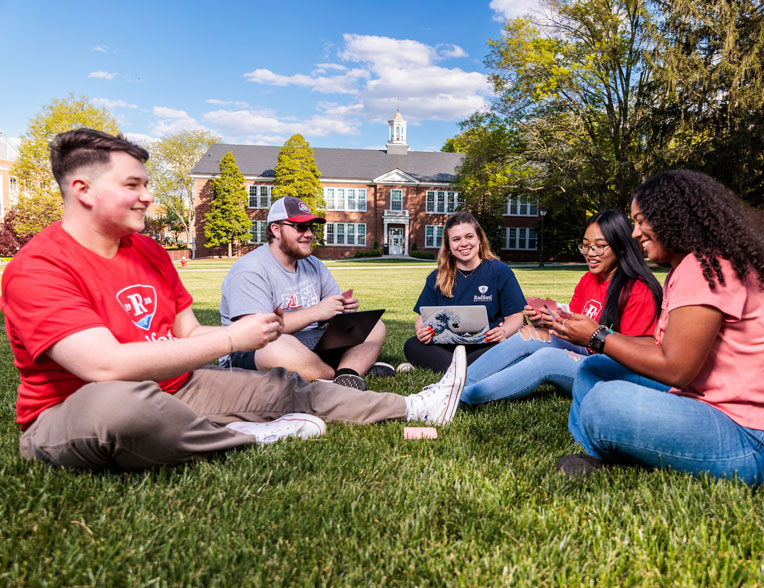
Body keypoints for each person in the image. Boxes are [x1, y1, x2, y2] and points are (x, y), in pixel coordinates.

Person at [0, 128, 467, 472]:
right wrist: (235, 337)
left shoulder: (147, 251)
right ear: (82, 190)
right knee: (122, 406)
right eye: (132, 186)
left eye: (145, 184)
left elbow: (188, 333)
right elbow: (103, 368)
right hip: (73, 408)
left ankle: (415, 407)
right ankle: (242, 435)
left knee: (285, 388)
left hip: (179, 385)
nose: (148, 196)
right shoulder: (40, 268)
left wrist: (234, 338)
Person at [555, 170, 764, 485]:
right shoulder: (691, 266)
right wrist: (598, 336)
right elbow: (664, 348)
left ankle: (611, 447)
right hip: (717, 409)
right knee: (594, 369)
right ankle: (601, 451)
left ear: (672, 217)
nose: (635, 234)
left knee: (605, 402)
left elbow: (676, 370)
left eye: (641, 221)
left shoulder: (705, 269)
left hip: (759, 441)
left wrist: (598, 336)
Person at [460, 210, 661, 406]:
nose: (590, 254)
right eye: (585, 246)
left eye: (599, 247)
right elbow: (574, 328)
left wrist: (598, 335)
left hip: (614, 373)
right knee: (531, 334)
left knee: (546, 358)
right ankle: (455, 385)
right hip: (588, 353)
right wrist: (549, 321)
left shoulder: (638, 289)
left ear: (622, 247)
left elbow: (642, 350)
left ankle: (462, 398)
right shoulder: (590, 279)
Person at [220, 196, 394, 391]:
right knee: (275, 348)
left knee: (374, 326)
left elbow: (331, 311)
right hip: (255, 349)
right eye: (300, 227)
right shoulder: (250, 269)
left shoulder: (313, 265)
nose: (309, 234)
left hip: (310, 342)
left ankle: (347, 375)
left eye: (311, 227)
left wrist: (342, 308)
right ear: (276, 229)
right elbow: (255, 331)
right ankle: (335, 375)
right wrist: (316, 312)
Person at [403, 212, 527, 372]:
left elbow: (516, 317)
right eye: (456, 239)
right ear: (448, 246)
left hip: (488, 345)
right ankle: (469, 369)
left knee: (514, 344)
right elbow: (421, 319)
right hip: (448, 347)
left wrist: (504, 331)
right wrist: (422, 331)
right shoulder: (437, 277)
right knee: (412, 344)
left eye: (469, 236)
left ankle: (452, 369)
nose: (464, 243)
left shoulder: (499, 271)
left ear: (479, 240)